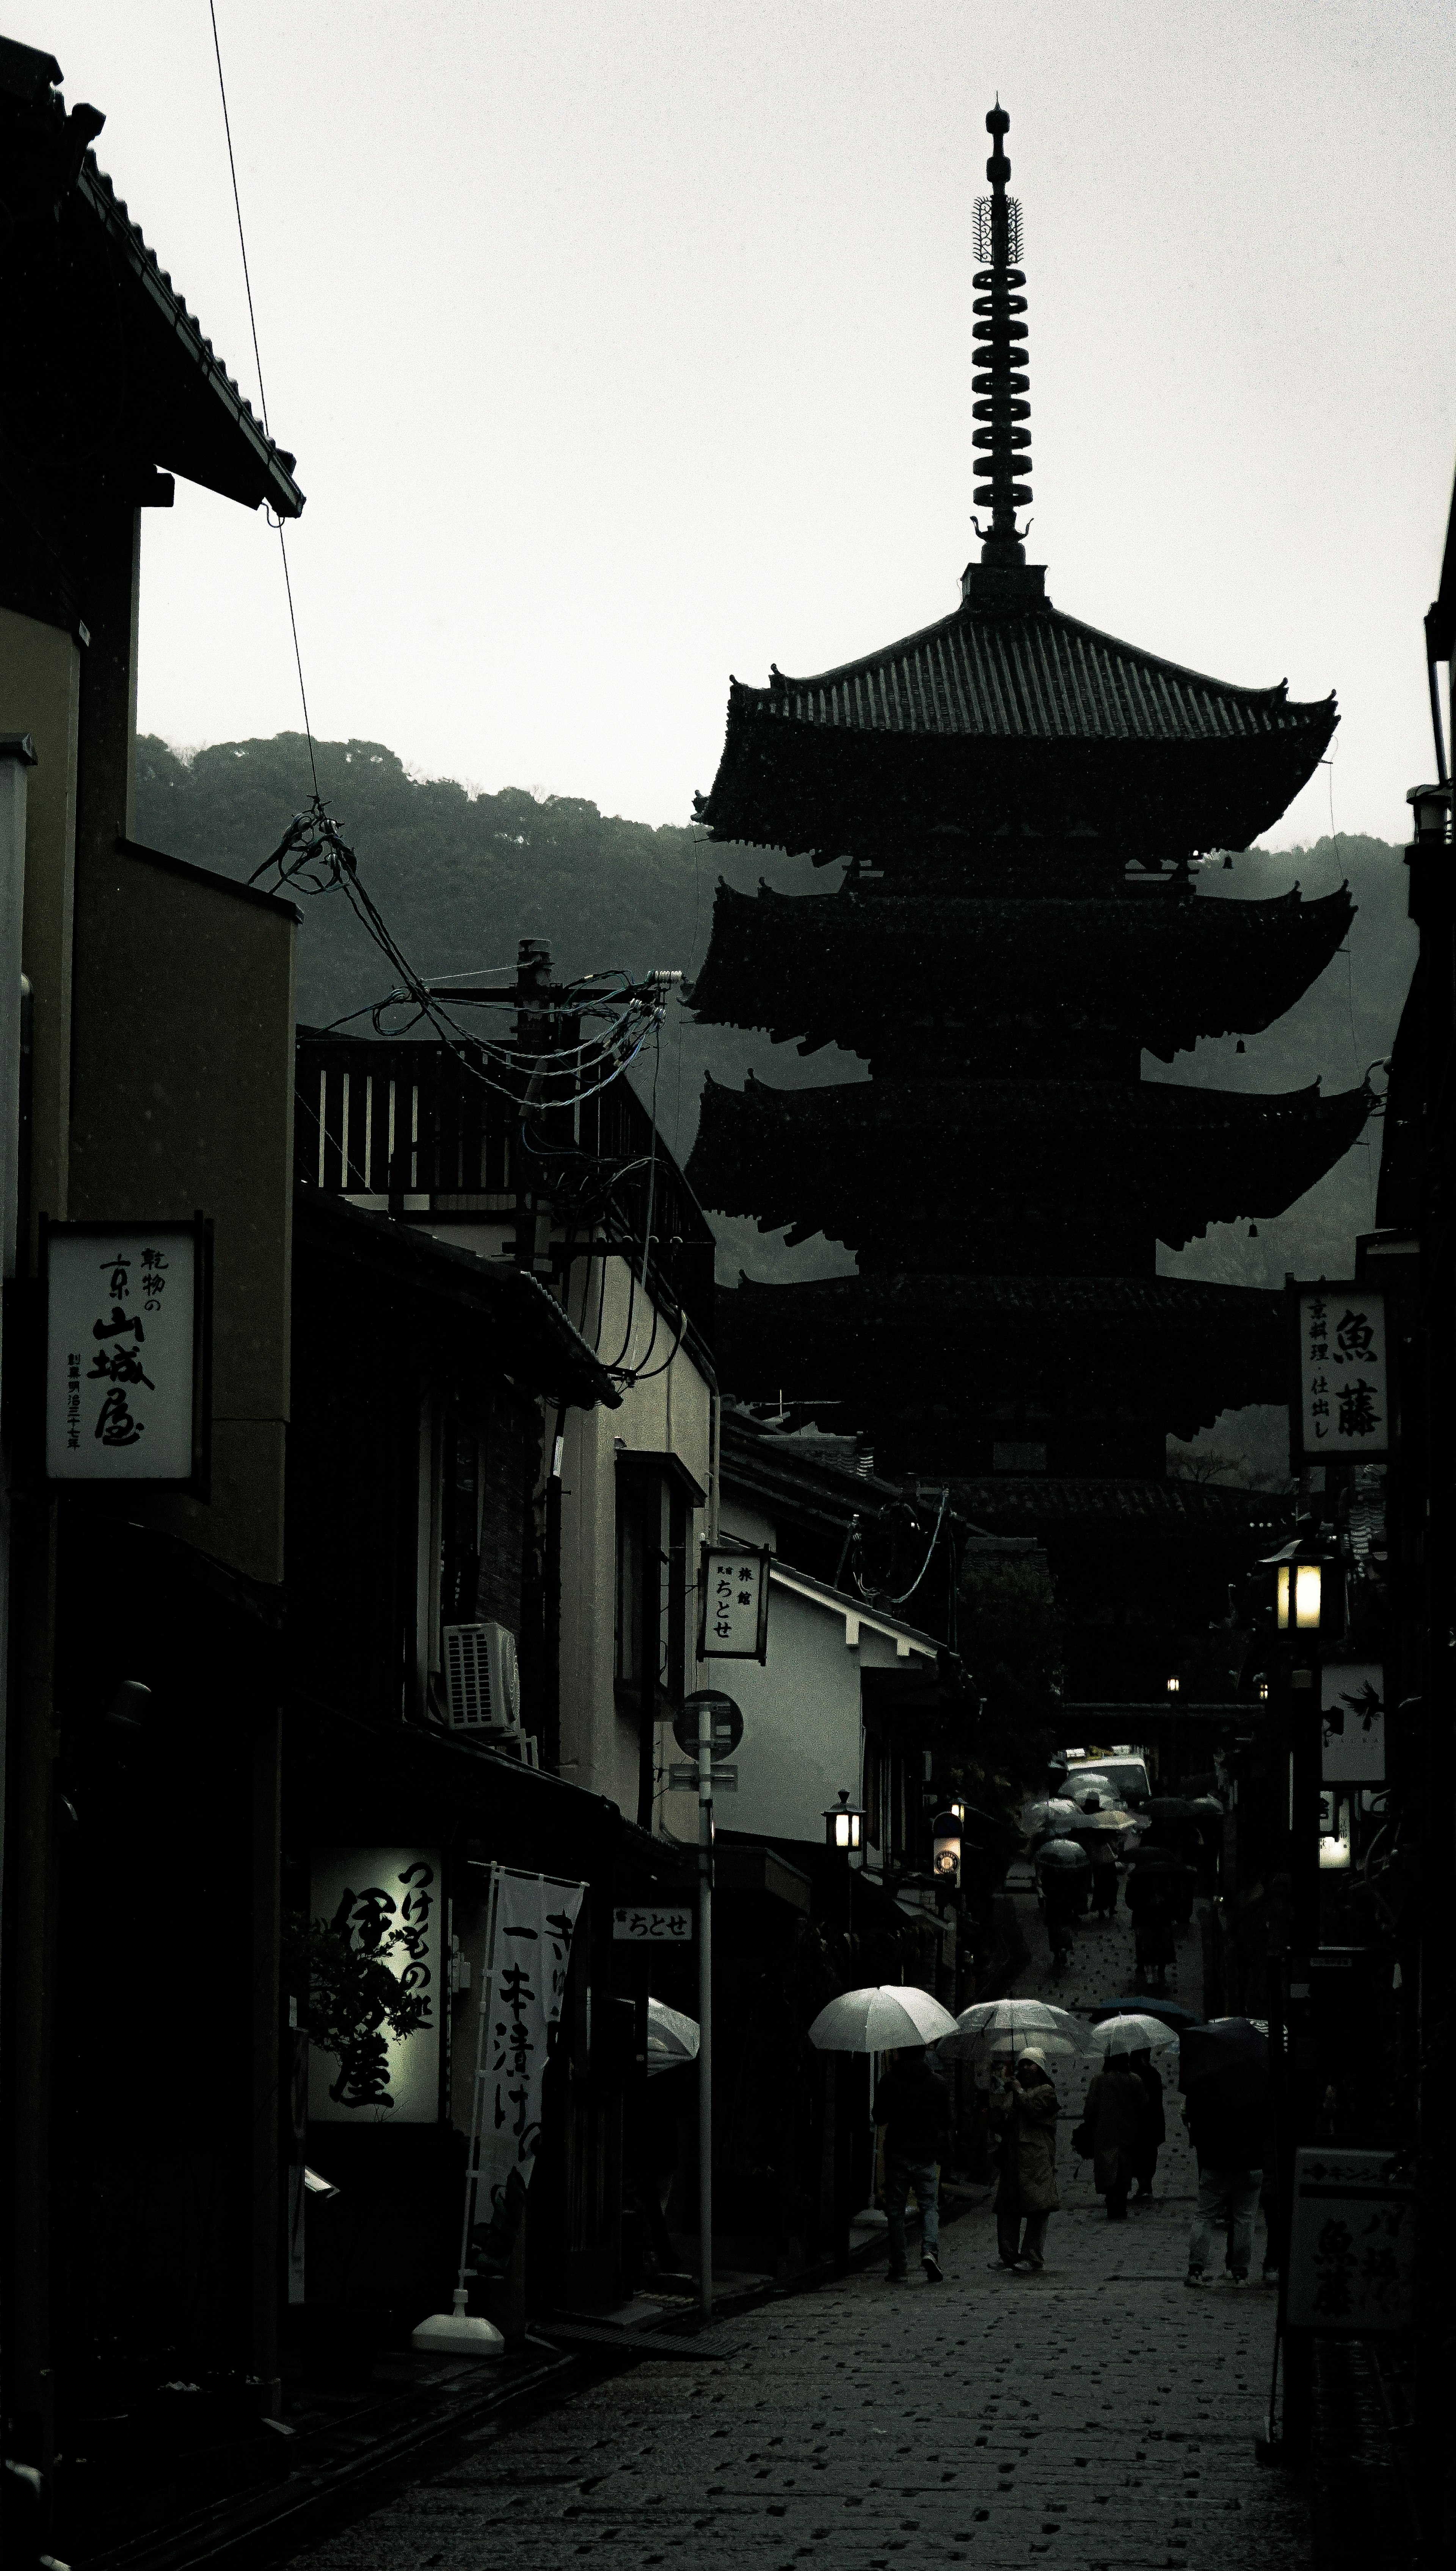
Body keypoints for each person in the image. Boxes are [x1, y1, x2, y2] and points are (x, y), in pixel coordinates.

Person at [1183, 2054, 1268, 2287]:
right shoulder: (1260, 2090)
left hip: (1217, 2162)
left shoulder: (1212, 2089)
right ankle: (1240, 2272)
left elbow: (1198, 2124)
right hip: (1251, 2164)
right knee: (1245, 2220)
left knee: (1205, 2216)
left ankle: (1196, 2270)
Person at [873, 2043, 951, 2285]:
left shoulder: (889, 2081)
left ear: (899, 2053)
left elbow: (879, 2116)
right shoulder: (938, 2083)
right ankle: (930, 2252)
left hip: (898, 2152)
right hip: (927, 2154)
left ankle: (899, 2266)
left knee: (896, 2211)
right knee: (929, 2206)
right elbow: (946, 2122)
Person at [988, 2048, 1061, 2270]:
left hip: (1036, 2159)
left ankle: (1032, 2255)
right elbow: (1002, 2123)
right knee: (1008, 2207)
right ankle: (1008, 2254)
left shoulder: (1047, 2091)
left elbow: (1033, 2110)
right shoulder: (1014, 2093)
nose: (1026, 2068)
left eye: (1031, 2064)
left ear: (1041, 2068)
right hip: (1013, 2158)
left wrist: (1019, 2093)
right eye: (1023, 2064)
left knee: (1038, 2207)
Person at [1075, 2051, 1147, 2219]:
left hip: (1105, 2133)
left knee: (1107, 2169)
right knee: (1125, 2167)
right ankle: (1120, 2201)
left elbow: (1090, 2108)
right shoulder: (1134, 2080)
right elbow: (1145, 2105)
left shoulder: (1100, 2080)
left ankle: (1112, 2200)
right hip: (1129, 2132)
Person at [1127, 2046, 1166, 2201]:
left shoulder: (1138, 2075)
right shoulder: (1152, 2074)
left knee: (1142, 2154)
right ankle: (1145, 2185)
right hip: (1150, 2122)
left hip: (1144, 2122)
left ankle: (1144, 2185)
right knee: (1147, 2154)